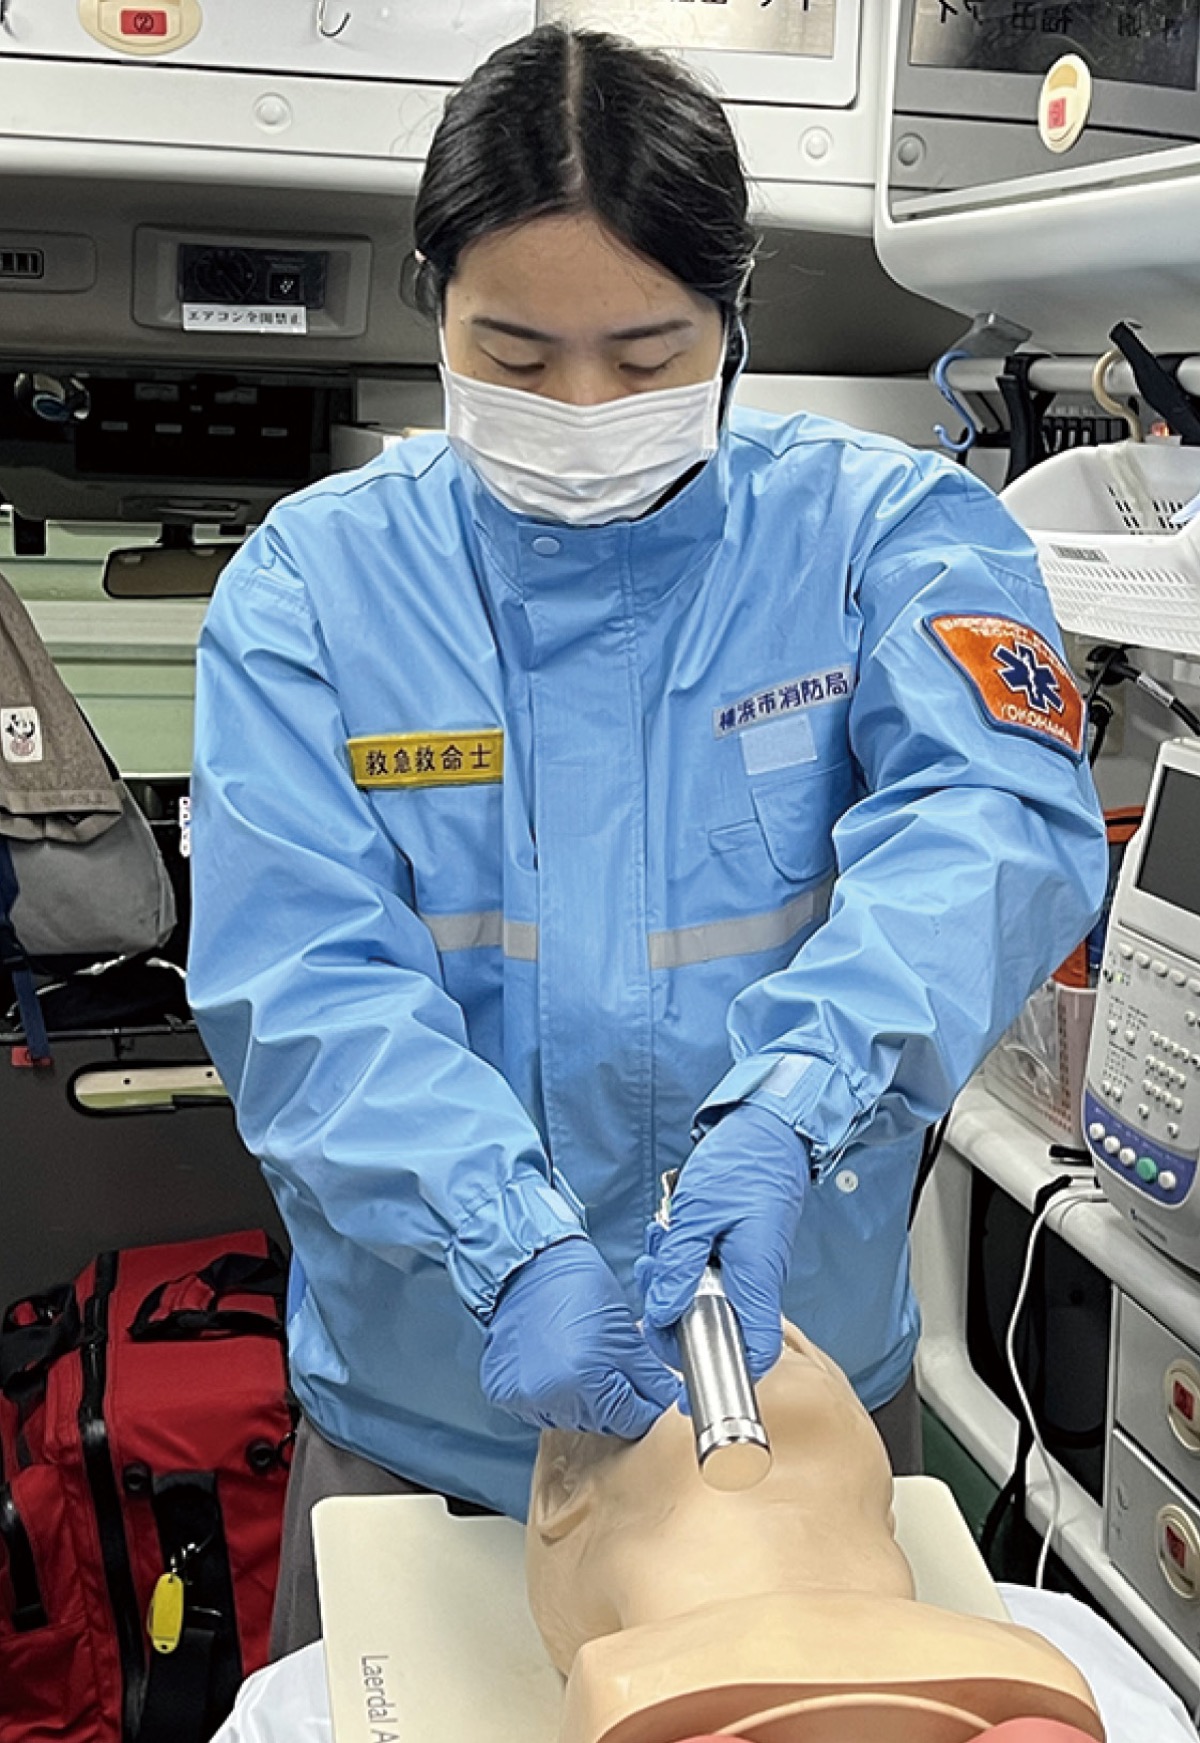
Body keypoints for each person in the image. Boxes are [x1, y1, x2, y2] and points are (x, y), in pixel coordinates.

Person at [187, 23, 1109, 1656]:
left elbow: (993, 827)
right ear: (434, 304)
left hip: (795, 1417)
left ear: (735, 314)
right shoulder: (313, 590)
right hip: (423, 1435)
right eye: (517, 356)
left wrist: (797, 1102)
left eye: (644, 353)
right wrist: (504, 1240)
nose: (583, 406)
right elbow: (303, 986)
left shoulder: (884, 536)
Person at [526, 1323, 1104, 1742]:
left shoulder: (1026, 1690)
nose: (732, 1349)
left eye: (784, 1344)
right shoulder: (634, 1691)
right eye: (678, 1360)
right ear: (563, 1491)